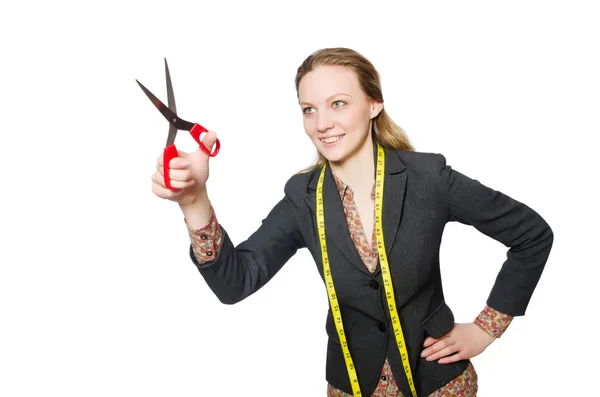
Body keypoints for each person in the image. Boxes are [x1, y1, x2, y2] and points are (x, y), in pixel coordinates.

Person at [150, 47, 553, 397]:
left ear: (374, 103)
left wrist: (486, 329)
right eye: (309, 109)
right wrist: (194, 200)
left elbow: (532, 235)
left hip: (441, 385)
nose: (322, 122)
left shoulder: (428, 178)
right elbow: (235, 283)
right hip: (351, 385)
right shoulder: (302, 199)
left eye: (338, 103)